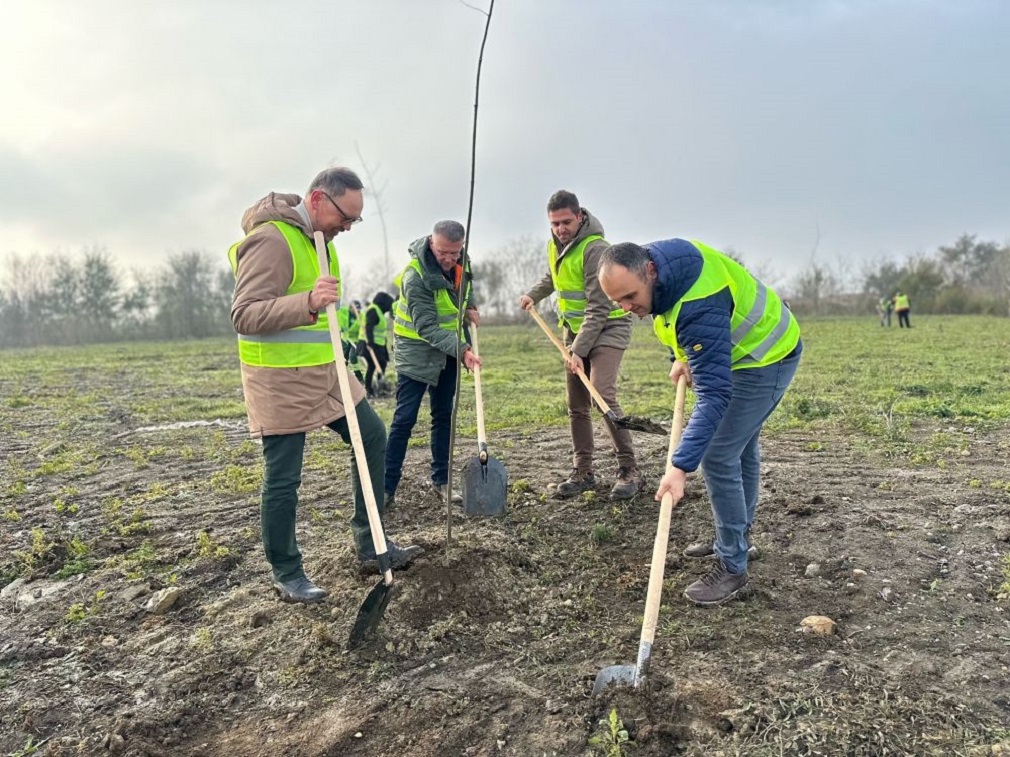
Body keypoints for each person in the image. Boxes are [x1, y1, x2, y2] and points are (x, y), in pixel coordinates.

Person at [228, 166, 422, 604]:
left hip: (327, 371)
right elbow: (244, 313)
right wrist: (308, 302)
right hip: (279, 378)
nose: (348, 227)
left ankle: (371, 544)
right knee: (284, 476)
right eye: (345, 217)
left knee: (372, 436)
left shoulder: (321, 241)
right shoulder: (272, 240)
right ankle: (288, 571)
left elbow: (327, 315)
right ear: (317, 200)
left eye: (355, 220)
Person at [598, 238, 801, 605]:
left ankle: (733, 565)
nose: (628, 309)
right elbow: (670, 318)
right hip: (739, 353)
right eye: (618, 303)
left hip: (769, 354)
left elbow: (714, 395)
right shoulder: (658, 273)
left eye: (630, 297)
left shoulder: (696, 303)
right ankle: (735, 538)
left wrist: (679, 467)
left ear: (651, 272)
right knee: (739, 448)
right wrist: (680, 355)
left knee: (720, 453)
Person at [518, 190, 640, 500]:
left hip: (609, 326)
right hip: (575, 330)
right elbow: (554, 276)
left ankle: (629, 469)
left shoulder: (595, 249)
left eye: (566, 222)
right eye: (555, 223)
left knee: (602, 392)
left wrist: (578, 352)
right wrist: (534, 294)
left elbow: (599, 309)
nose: (560, 229)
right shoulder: (555, 244)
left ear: (580, 217)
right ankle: (583, 471)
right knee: (577, 403)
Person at [384, 220, 481, 507]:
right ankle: (386, 488)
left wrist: (470, 306)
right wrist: (463, 349)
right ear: (431, 243)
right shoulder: (416, 277)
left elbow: (465, 288)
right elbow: (426, 326)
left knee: (443, 416)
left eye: (455, 253)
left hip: (448, 351)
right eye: (443, 253)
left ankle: (442, 481)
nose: (449, 260)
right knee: (404, 420)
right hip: (416, 352)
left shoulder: (462, 261)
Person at [359, 291, 394, 396]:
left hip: (379, 344)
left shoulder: (379, 311)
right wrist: (370, 343)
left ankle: (378, 386)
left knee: (381, 364)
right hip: (370, 344)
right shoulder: (373, 310)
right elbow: (368, 328)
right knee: (373, 366)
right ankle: (369, 390)